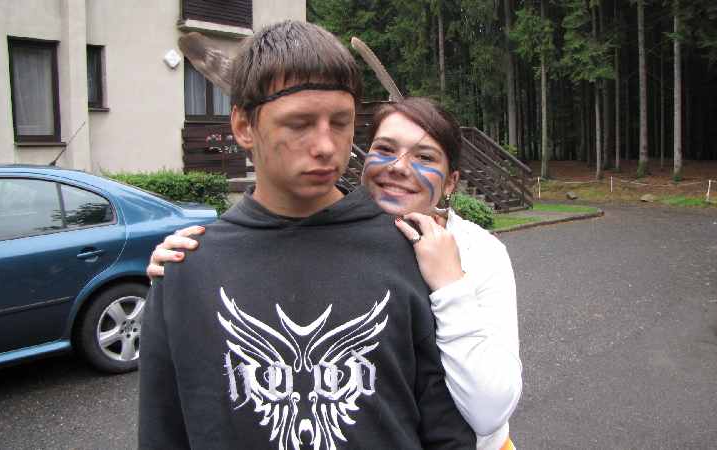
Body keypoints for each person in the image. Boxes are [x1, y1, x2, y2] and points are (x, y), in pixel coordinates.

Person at [138, 21, 476, 450]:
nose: (327, 146)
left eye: (341, 123)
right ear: (244, 126)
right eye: (299, 123)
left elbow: (448, 429)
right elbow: (163, 433)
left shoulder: (410, 251)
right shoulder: (185, 272)